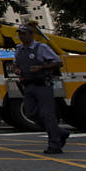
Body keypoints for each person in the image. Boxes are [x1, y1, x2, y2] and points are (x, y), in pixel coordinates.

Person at [15, 24, 69, 153]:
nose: (21, 36)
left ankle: (54, 145)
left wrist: (42, 67)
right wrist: (16, 69)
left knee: (47, 115)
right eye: (20, 34)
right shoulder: (19, 49)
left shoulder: (41, 48)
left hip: (43, 85)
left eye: (24, 33)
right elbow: (16, 63)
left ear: (31, 34)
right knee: (30, 113)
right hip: (28, 85)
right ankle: (60, 132)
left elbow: (58, 62)